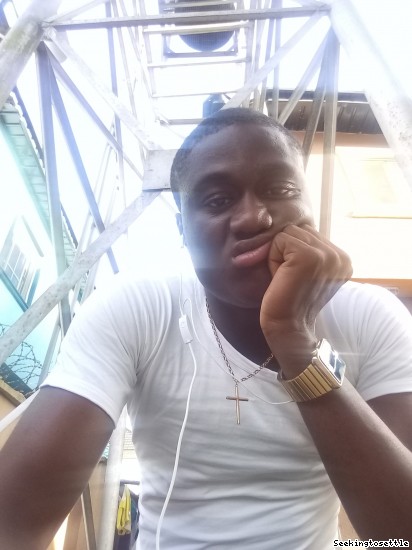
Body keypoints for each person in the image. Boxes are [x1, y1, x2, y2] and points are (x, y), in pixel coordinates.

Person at [1, 107, 412, 550]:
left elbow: (398, 536)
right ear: (182, 228)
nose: (253, 218)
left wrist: (298, 345)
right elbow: (14, 522)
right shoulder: (137, 308)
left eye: (279, 189)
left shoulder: (370, 316)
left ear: (309, 207)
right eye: (217, 200)